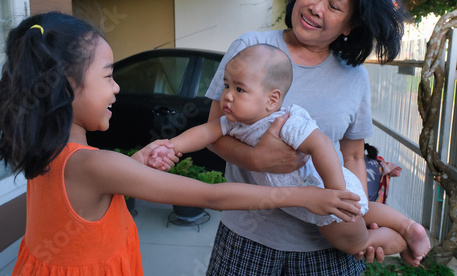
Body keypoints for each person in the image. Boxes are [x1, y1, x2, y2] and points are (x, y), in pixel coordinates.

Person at [0, 11, 363, 275]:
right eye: (108, 77)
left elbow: (96, 185)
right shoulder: (94, 166)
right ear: (66, 87)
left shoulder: (45, 152)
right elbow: (210, 196)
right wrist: (304, 197)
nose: (117, 87)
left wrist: (136, 162)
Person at [201, 0, 424, 276]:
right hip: (247, 236)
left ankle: (403, 233)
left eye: (334, 6)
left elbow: (354, 158)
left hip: (327, 249)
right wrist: (258, 159)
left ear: (350, 24)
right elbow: (213, 132)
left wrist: (360, 215)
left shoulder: (354, 76)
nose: (315, 8)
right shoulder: (251, 49)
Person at [149, 44, 430, 265]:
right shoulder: (231, 122)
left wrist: (335, 193)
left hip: (328, 196)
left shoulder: (286, 122)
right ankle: (406, 226)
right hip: (322, 199)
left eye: (239, 89)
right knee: (363, 209)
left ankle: (403, 238)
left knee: (355, 243)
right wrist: (172, 146)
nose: (227, 96)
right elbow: (203, 133)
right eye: (226, 85)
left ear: (272, 99)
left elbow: (320, 145)